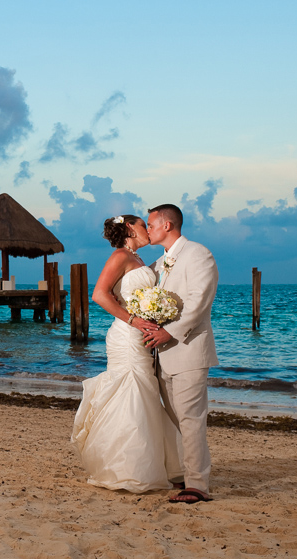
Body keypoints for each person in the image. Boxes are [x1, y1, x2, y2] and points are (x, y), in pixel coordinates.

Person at [71, 214, 183, 493]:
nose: (148, 231)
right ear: (130, 228)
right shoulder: (120, 256)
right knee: (133, 394)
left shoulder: (140, 260)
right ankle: (128, 468)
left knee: (144, 395)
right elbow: (99, 294)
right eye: (144, 225)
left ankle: (158, 465)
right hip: (126, 336)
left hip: (141, 335)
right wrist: (133, 320)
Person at [142, 204, 219, 504]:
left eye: (151, 224)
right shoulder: (159, 264)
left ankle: (198, 485)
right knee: (176, 418)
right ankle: (185, 474)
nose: (148, 230)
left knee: (191, 418)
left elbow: (198, 302)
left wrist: (169, 332)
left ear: (168, 225)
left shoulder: (199, 254)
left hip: (188, 350)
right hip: (162, 354)